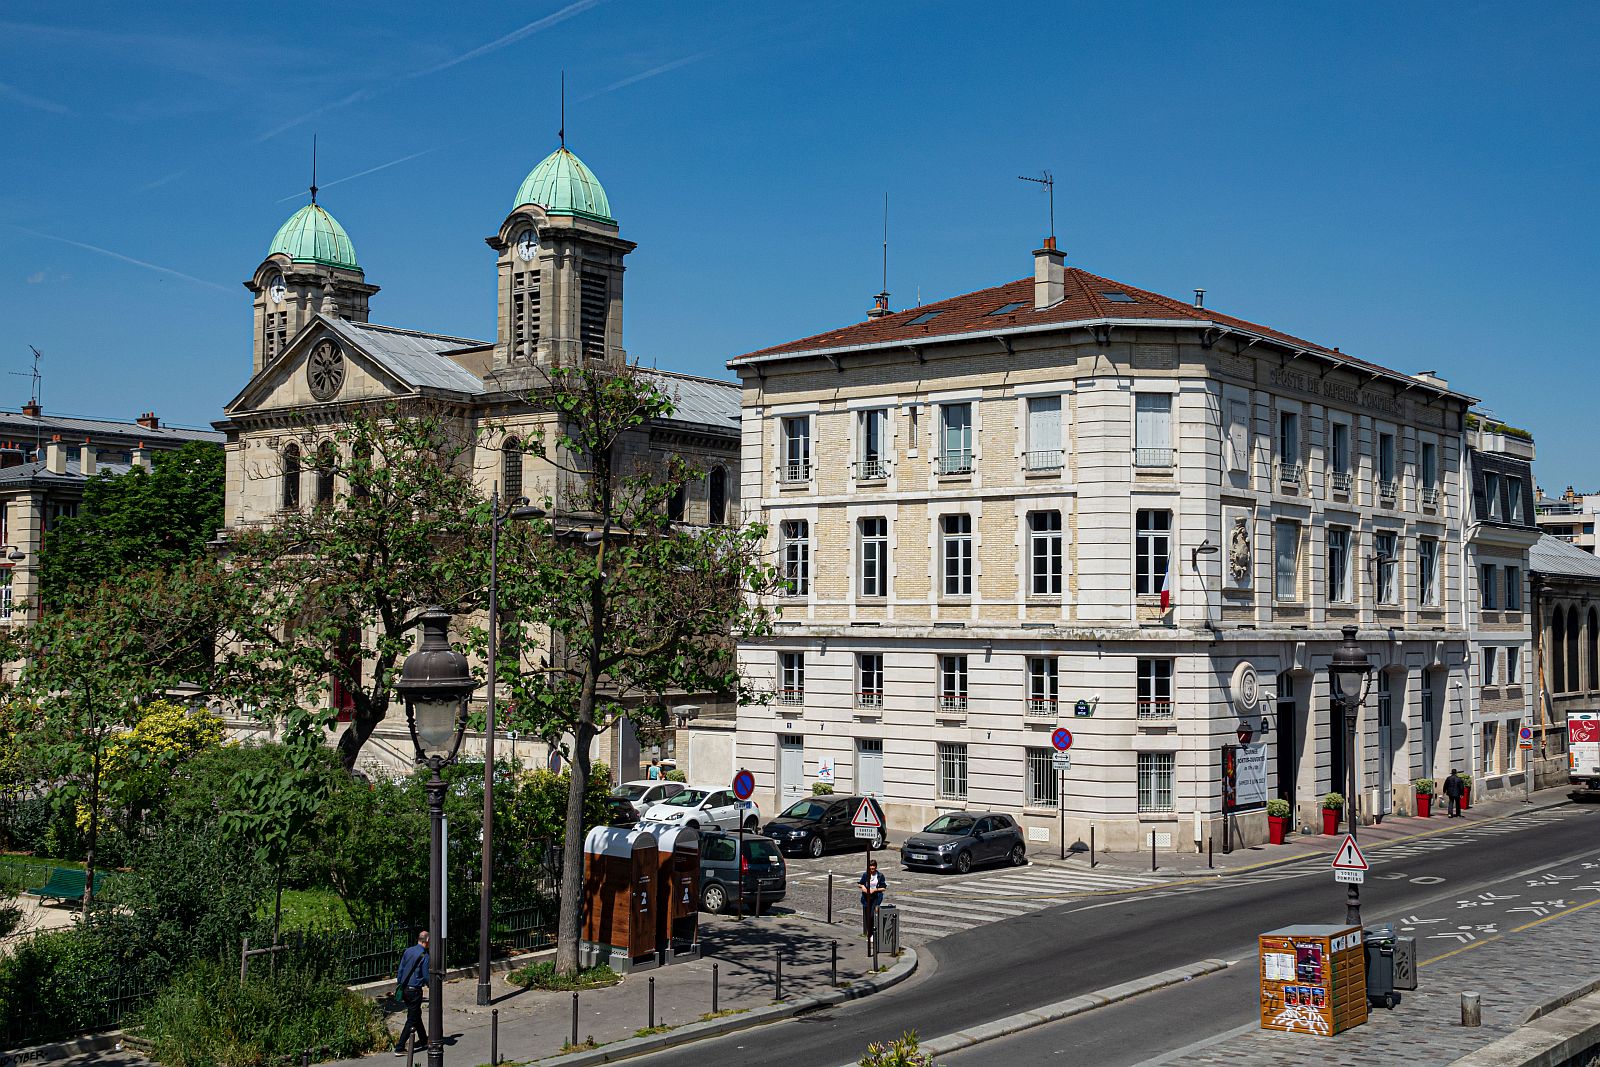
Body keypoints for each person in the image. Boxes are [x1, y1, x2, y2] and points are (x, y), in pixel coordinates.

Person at [394, 930, 430, 1055]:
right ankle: (399, 1047)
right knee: (411, 1019)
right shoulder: (424, 956)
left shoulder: (408, 951)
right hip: (415, 990)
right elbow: (426, 976)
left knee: (416, 1014)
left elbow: (401, 969)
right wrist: (431, 986)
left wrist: (400, 983)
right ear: (427, 941)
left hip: (404, 989)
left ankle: (424, 1040)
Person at [858, 859, 887, 941]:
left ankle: (873, 933)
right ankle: (869, 934)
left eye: (873, 868)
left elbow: (883, 888)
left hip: (875, 897)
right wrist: (863, 887)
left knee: (872, 915)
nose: (872, 870)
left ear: (876, 867)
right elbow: (860, 884)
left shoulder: (880, 876)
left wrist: (875, 890)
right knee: (867, 917)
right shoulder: (865, 875)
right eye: (871, 868)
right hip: (866, 898)